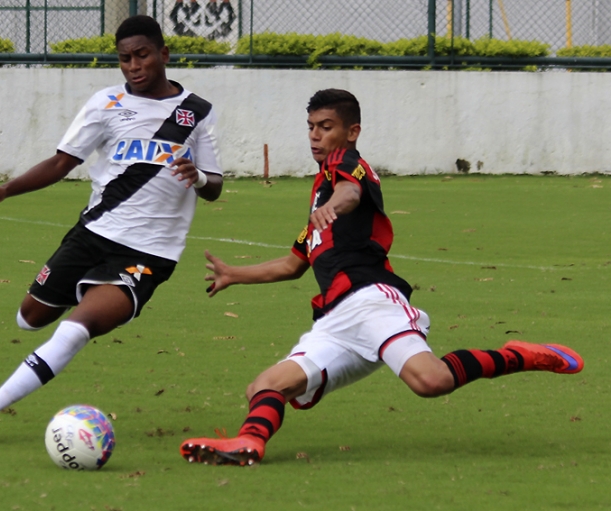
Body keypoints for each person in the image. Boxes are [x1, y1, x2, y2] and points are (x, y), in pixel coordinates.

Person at [179, 89, 583, 466]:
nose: (316, 136)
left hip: (371, 299)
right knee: (265, 386)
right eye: (311, 127)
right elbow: (292, 265)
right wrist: (235, 274)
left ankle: (520, 354)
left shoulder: (345, 165)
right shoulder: (320, 200)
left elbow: (351, 193)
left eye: (326, 126)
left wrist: (334, 206)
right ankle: (249, 442)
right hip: (335, 321)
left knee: (430, 382)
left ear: (351, 131)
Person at [0, 15, 223, 444]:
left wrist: (200, 177)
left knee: (74, 329)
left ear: (164, 54)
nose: (134, 66)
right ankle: (86, 290)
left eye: (142, 55)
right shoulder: (105, 103)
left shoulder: (197, 112)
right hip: (93, 232)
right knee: (30, 318)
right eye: (125, 59)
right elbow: (62, 162)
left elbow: (215, 186)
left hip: (149, 253)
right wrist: (6, 190)